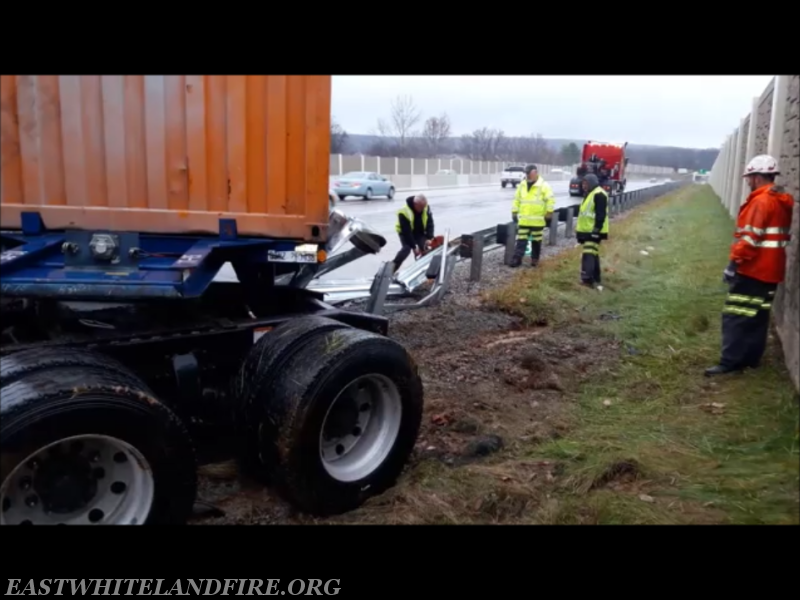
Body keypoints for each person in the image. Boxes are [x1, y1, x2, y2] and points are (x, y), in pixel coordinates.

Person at [705, 154, 794, 376]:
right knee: (758, 316)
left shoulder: (761, 201)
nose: (747, 182)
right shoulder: (780, 200)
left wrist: (733, 264)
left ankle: (730, 362)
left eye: (749, 178)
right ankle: (751, 359)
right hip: (772, 269)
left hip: (754, 269)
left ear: (756, 177)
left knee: (736, 314)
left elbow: (749, 239)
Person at [510, 165, 555, 267]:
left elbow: (550, 200)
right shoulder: (522, 185)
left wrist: (549, 212)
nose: (527, 176)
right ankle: (517, 259)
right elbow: (516, 199)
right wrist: (514, 212)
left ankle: (535, 259)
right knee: (521, 240)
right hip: (524, 220)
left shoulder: (544, 185)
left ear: (535, 173)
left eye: (529, 173)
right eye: (526, 174)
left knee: (536, 241)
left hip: (537, 221)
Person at [575, 173, 608, 289]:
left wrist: (596, 229)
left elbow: (601, 214)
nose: (583, 185)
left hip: (593, 231)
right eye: (583, 183)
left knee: (588, 254)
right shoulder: (590, 194)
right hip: (588, 231)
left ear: (592, 183)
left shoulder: (599, 194)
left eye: (585, 183)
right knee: (593, 254)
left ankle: (587, 279)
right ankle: (596, 277)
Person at [392, 193, 434, 273]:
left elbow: (430, 223)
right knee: (406, 249)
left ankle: (424, 272)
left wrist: (429, 238)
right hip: (405, 233)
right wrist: (414, 247)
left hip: (419, 232)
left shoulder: (425, 208)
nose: (423, 209)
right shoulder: (403, 212)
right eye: (421, 207)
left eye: (424, 207)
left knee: (425, 248)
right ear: (415, 204)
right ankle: (391, 269)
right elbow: (406, 232)